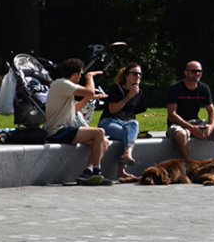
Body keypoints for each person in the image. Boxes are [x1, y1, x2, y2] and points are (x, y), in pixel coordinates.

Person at [44, 58, 109, 186]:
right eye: (81, 74)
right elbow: (90, 91)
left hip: (65, 129)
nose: (81, 76)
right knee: (99, 132)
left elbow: (74, 109)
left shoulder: (63, 87)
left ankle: (87, 172)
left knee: (104, 142)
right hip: (57, 131)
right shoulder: (62, 84)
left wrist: (87, 98)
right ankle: (97, 171)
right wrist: (90, 77)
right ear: (75, 74)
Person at [165, 60, 214, 164]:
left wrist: (211, 126)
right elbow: (172, 114)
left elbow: (212, 111)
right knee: (181, 135)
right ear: (186, 72)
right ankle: (190, 166)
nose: (197, 74)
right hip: (178, 124)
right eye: (193, 71)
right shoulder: (175, 88)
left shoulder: (204, 88)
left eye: (199, 71)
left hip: (196, 122)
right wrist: (191, 128)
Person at [98, 63, 146, 183]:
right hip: (109, 122)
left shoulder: (139, 93)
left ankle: (126, 155)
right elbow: (112, 109)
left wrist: (134, 130)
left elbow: (133, 114)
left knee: (134, 124)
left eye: (140, 74)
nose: (138, 76)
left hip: (126, 124)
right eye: (135, 74)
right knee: (127, 135)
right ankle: (122, 169)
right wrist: (129, 96)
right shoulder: (117, 88)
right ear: (126, 76)